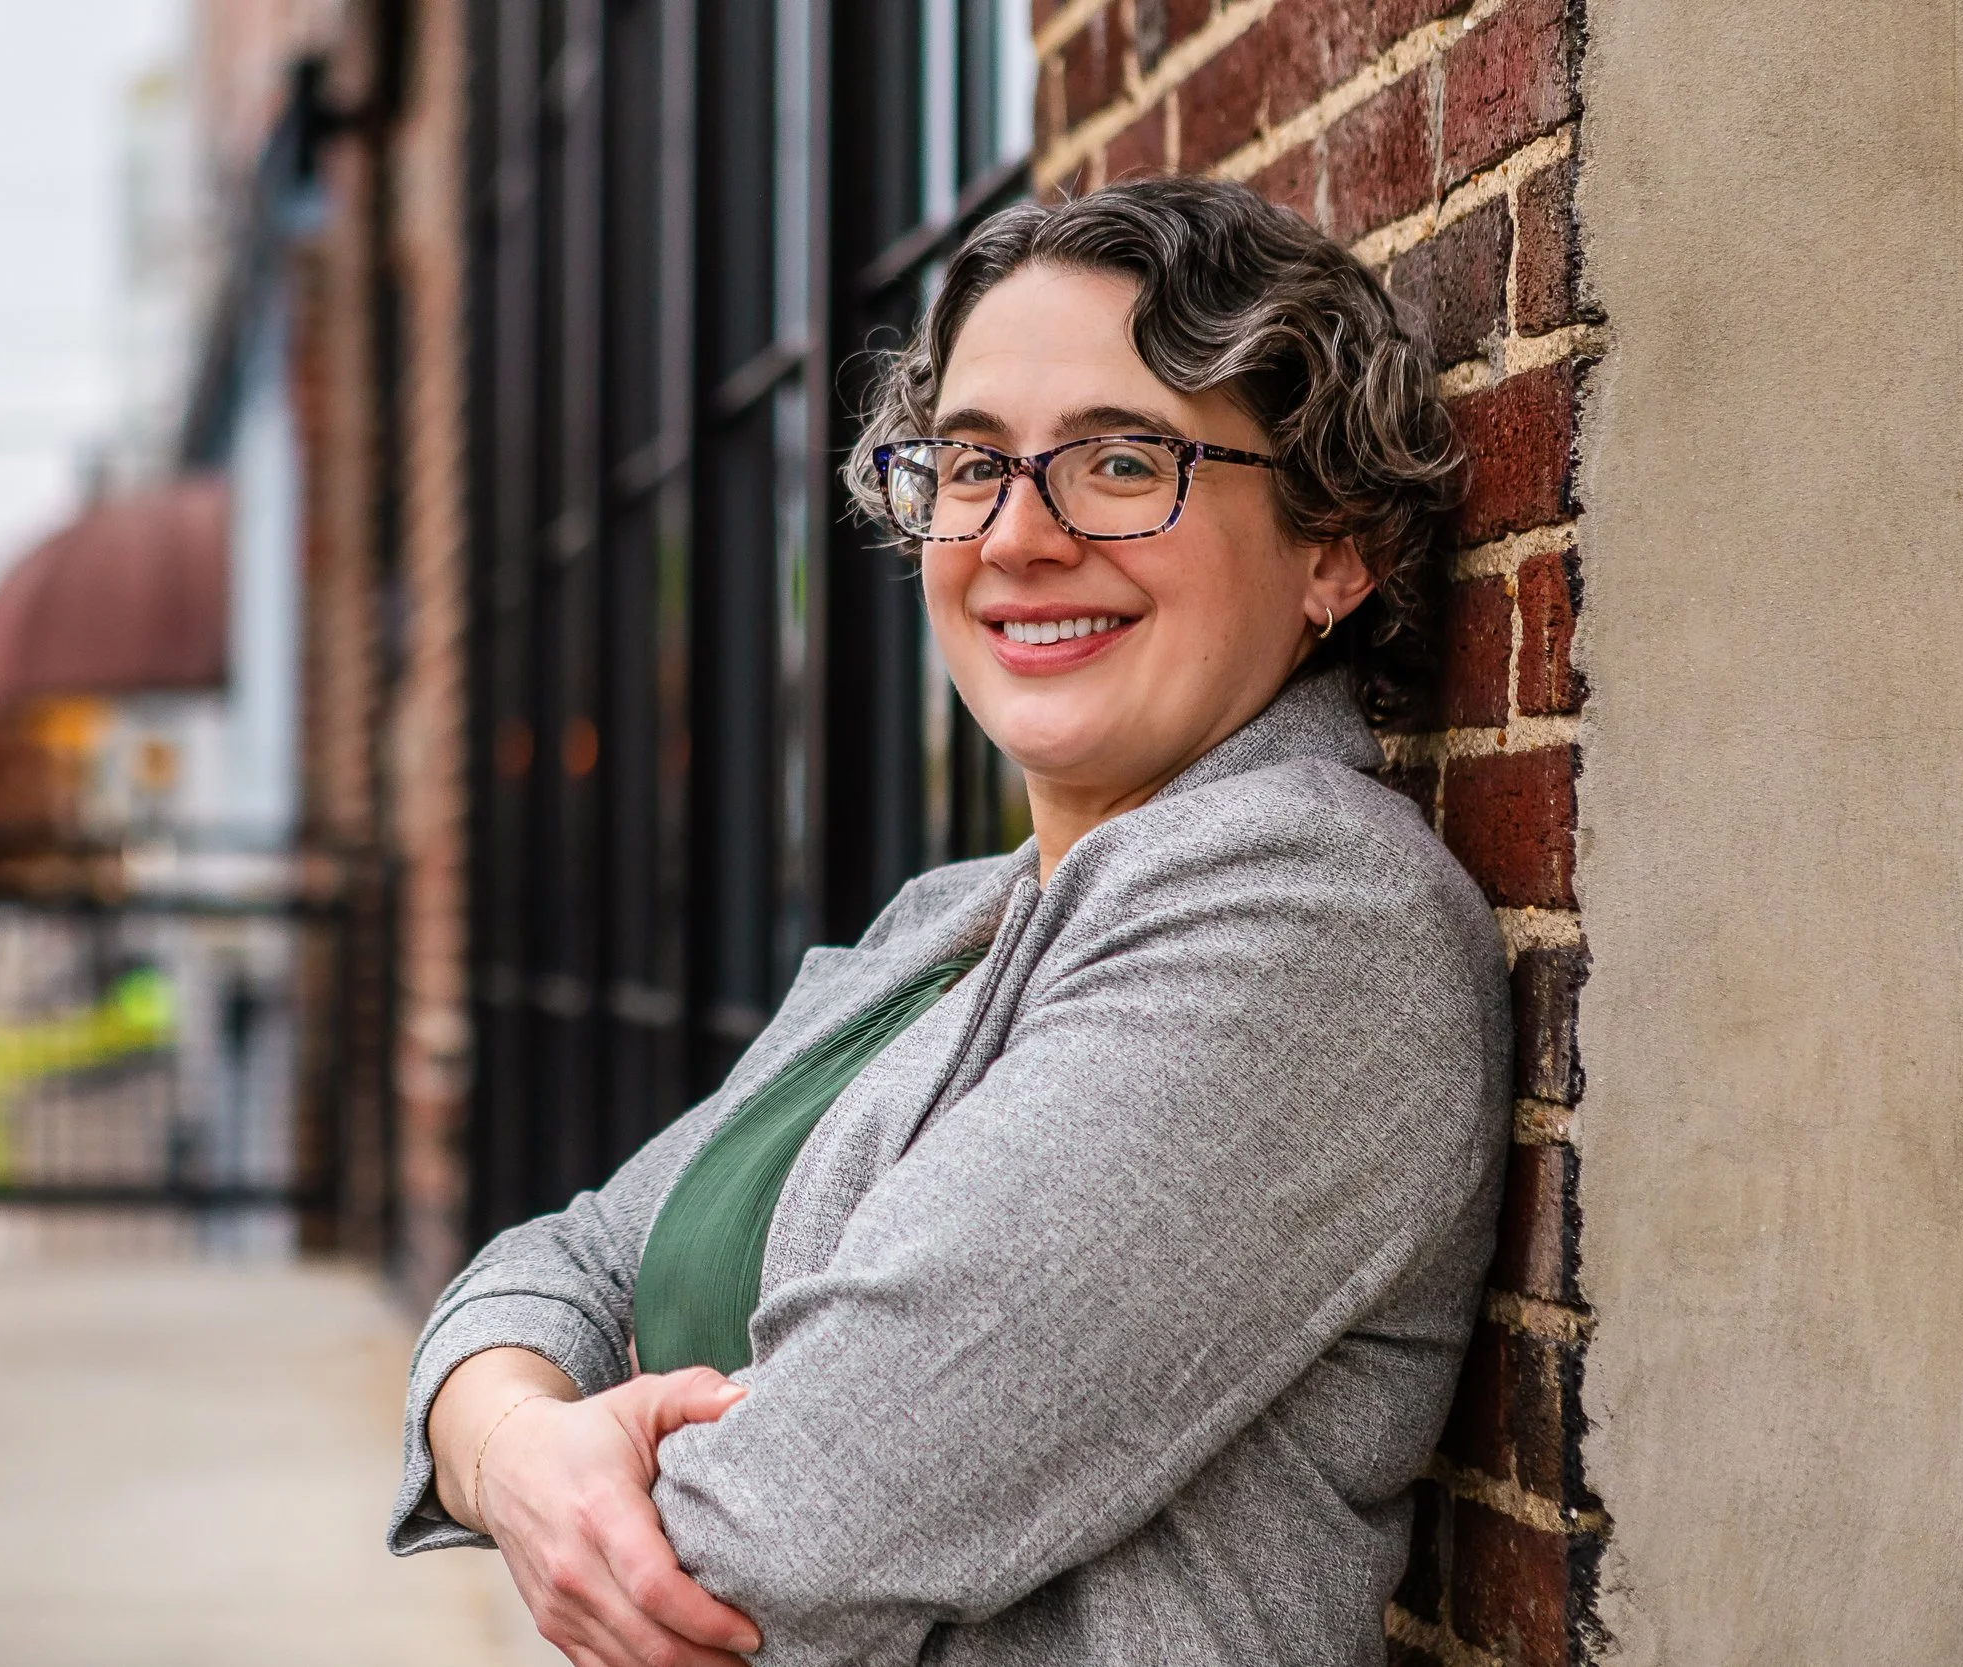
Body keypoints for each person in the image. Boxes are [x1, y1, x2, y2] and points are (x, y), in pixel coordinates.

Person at [388, 175, 1509, 1667]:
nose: (1016, 538)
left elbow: (791, 1527)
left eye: (1122, 461)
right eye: (969, 466)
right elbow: (561, 1261)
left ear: (1335, 550)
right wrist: (522, 1451)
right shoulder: (947, 923)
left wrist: (544, 1460)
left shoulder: (1314, 919)